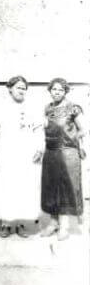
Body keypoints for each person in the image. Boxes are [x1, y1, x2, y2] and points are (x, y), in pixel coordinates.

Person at [0, 76, 44, 238]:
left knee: (23, 187)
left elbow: (39, 130)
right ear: (10, 88)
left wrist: (39, 148)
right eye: (18, 87)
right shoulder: (1, 107)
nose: (21, 90)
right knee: (5, 186)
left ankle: (20, 223)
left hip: (26, 153)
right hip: (6, 152)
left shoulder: (32, 107)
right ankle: (5, 224)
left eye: (24, 88)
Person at [40, 77, 86, 240]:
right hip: (51, 153)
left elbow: (83, 129)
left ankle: (64, 227)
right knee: (51, 187)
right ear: (50, 91)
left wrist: (71, 140)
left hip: (67, 153)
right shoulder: (47, 108)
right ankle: (53, 223)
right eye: (54, 89)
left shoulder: (73, 108)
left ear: (65, 91)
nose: (57, 92)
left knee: (66, 188)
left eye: (60, 89)